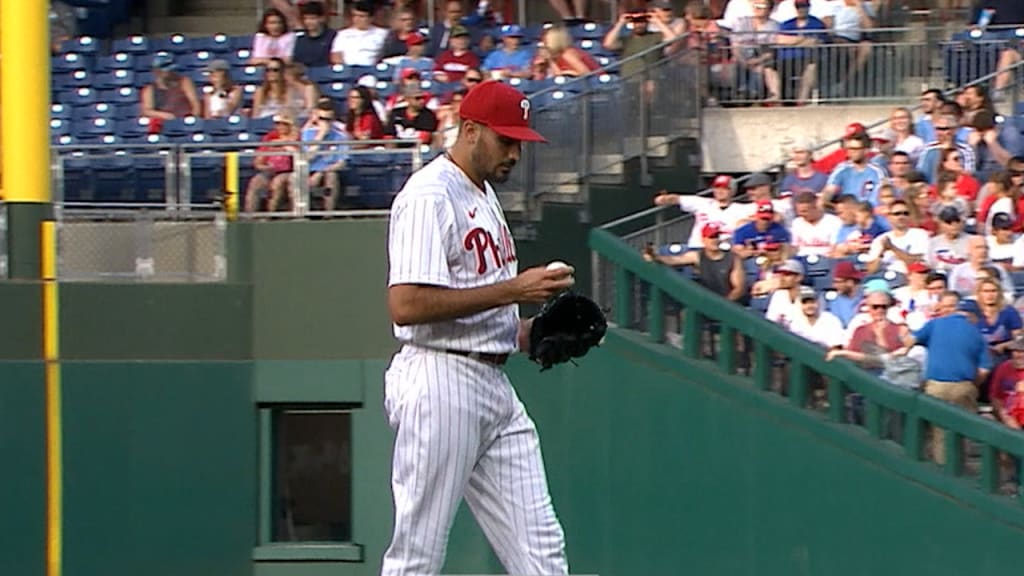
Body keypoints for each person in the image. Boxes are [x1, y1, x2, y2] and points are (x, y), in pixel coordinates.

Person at [383, 80, 572, 576]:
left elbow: (475, 299)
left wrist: (527, 331)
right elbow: (405, 304)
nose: (514, 152)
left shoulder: (483, 194)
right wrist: (513, 291)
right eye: (505, 140)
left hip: (493, 381)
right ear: (469, 130)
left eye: (519, 143)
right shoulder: (429, 195)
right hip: (440, 379)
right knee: (418, 551)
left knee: (542, 550)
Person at [897, 294, 993, 465]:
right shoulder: (976, 333)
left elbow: (908, 342)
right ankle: (959, 471)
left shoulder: (935, 324)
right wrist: (972, 384)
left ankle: (943, 470)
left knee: (940, 432)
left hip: (936, 386)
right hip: (963, 386)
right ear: (973, 316)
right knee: (963, 430)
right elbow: (984, 369)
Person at [643, 222, 747, 303]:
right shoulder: (696, 256)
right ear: (704, 240)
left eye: (716, 236)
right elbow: (673, 260)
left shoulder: (733, 258)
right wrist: (654, 256)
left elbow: (739, 288)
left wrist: (724, 304)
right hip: (704, 301)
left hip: (728, 303)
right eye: (711, 237)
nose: (715, 240)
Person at [652, 175, 755, 249]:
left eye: (725, 188)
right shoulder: (702, 203)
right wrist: (664, 199)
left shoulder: (742, 209)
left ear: (732, 191)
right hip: (697, 247)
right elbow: (677, 199)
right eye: (717, 187)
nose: (719, 191)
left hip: (724, 250)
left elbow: (765, 212)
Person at [302, 98, 349, 211]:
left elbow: (342, 163)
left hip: (330, 170)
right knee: (295, 178)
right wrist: (321, 136)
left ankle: (328, 214)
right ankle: (301, 215)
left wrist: (321, 172)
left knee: (331, 177)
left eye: (328, 119)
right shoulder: (307, 133)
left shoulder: (341, 136)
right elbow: (306, 158)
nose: (325, 123)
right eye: (322, 119)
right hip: (309, 171)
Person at [140, 53, 201, 120]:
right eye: (166, 70)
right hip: (163, 124)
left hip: (185, 120)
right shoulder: (150, 89)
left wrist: (192, 119)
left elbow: (195, 105)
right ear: (157, 71)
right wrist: (164, 115)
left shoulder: (184, 82)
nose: (170, 72)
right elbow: (147, 111)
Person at [330, 1, 389, 66]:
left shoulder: (383, 34)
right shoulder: (342, 34)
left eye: (361, 16)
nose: (356, 19)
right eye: (354, 16)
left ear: (371, 18)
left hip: (372, 69)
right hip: (347, 70)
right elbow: (336, 55)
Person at [292, 2, 337, 69]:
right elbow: (297, 60)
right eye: (305, 18)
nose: (308, 22)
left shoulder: (333, 36)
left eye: (312, 18)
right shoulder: (300, 38)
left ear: (322, 18)